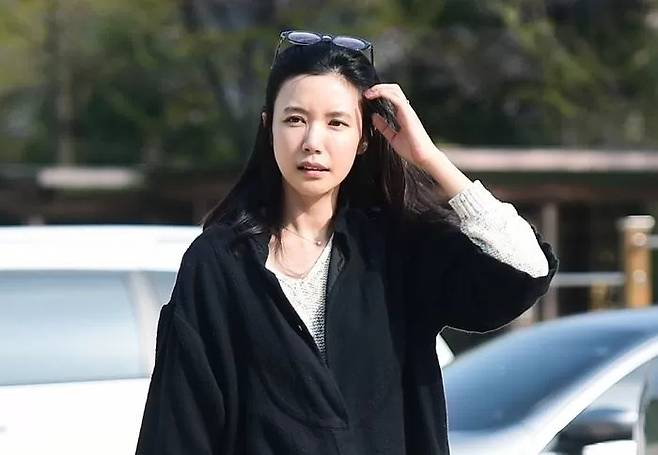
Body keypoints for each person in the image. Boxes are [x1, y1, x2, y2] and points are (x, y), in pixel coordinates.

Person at [135, 30, 559, 455]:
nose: (312, 143)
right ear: (268, 128)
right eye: (295, 119)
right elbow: (178, 426)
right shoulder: (220, 262)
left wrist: (429, 157)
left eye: (336, 123)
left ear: (364, 138)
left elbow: (526, 268)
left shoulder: (397, 248)